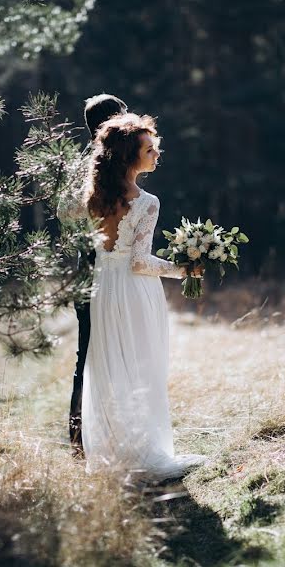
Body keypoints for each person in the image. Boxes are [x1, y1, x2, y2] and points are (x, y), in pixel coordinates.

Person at [59, 113, 206, 482]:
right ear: (128, 157)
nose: (157, 153)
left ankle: (110, 452)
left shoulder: (90, 197)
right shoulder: (146, 202)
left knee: (108, 366)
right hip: (135, 291)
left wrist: (83, 172)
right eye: (149, 149)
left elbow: (63, 213)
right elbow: (140, 263)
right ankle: (143, 452)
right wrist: (185, 269)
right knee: (142, 366)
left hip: (101, 287)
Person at [59, 94, 127, 456]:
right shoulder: (89, 164)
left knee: (113, 354)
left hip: (113, 268)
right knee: (88, 355)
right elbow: (64, 211)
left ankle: (107, 436)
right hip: (93, 266)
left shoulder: (125, 158)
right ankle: (80, 440)